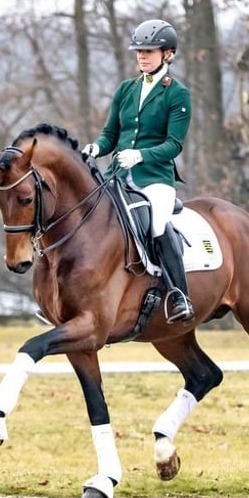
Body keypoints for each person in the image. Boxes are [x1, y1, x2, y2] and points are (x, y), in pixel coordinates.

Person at [82, 19, 194, 323]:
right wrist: (96, 147)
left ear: (168, 54)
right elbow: (110, 135)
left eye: (149, 51)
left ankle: (179, 295)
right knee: (88, 219)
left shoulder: (177, 94)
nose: (142, 56)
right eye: (139, 51)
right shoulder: (126, 89)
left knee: (158, 224)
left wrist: (141, 156)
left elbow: (173, 144)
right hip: (117, 176)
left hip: (155, 178)